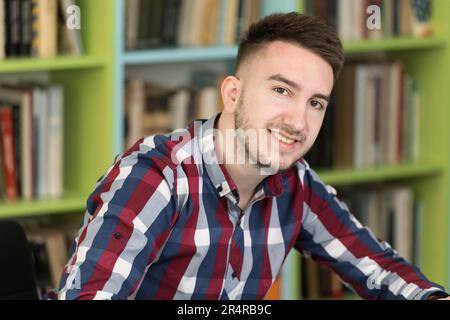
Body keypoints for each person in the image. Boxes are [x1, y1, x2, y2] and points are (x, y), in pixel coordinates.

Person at [57, 12, 449, 300]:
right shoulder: (157, 177)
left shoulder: (296, 184)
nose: (298, 120)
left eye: (316, 103)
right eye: (281, 90)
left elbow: (377, 267)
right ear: (232, 93)